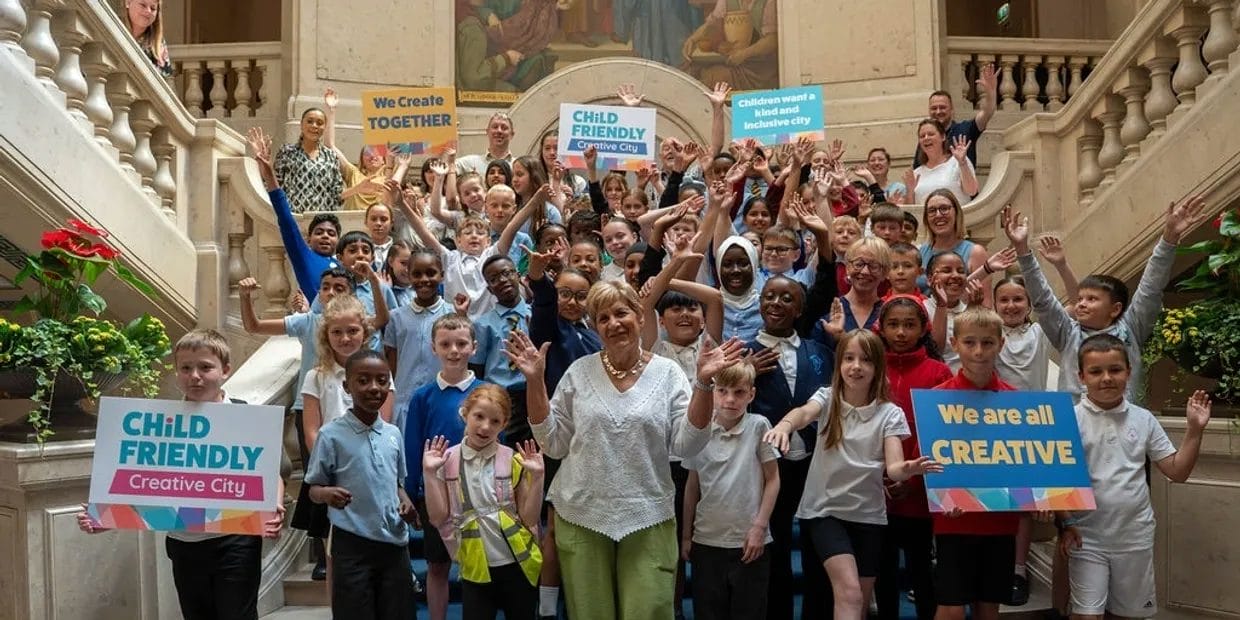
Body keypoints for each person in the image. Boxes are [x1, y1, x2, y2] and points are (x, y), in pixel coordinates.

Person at [504, 281, 745, 620]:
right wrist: (534, 382)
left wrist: (703, 383)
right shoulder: (579, 372)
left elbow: (688, 443)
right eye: (603, 318)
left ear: (640, 316)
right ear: (596, 327)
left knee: (648, 612)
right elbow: (552, 444)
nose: (614, 323)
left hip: (648, 515)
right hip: (582, 513)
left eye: (621, 313)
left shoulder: (668, 372)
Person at [77, 329, 286, 620]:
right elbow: (145, 484)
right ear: (176, 372)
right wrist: (105, 517)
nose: (195, 376)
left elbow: (270, 476)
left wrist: (274, 506)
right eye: (186, 368)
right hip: (183, 545)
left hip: (236, 540)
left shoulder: (246, 417)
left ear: (225, 370)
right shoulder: (160, 423)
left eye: (205, 367)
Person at [764, 329, 941, 619]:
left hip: (869, 517)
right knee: (848, 591)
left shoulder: (890, 413)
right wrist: (784, 426)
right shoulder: (827, 397)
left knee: (857, 603)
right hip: (825, 512)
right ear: (839, 363)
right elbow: (804, 414)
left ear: (877, 367)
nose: (856, 366)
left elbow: (895, 469)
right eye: (848, 358)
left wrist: (909, 468)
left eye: (865, 360)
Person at [1060, 335, 1210, 620]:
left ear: (1128, 372)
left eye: (1115, 370)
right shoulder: (1068, 419)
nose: (1106, 378)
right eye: (1095, 371)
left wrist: (1194, 430)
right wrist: (1065, 522)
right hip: (1086, 537)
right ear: (1081, 376)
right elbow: (1055, 480)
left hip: (1134, 539)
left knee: (1129, 615)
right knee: (1085, 615)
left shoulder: (1144, 419)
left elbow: (1177, 471)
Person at [1002, 197, 1206, 401]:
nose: (1081, 303)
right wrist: (1022, 250)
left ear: (1115, 309)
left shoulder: (1131, 329)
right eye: (1080, 298)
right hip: (1075, 426)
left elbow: (1150, 288)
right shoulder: (1067, 333)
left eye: (1092, 299)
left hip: (1125, 426)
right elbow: (1043, 300)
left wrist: (1169, 239)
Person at [304, 350, 416, 619]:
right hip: (351, 544)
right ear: (347, 386)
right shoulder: (330, 435)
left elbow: (397, 484)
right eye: (363, 380)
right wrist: (326, 494)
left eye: (381, 380)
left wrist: (406, 502)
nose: (373, 388)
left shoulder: (393, 433)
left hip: (394, 544)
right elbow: (313, 489)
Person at [930, 306, 1021, 620]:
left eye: (987, 343)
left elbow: (1027, 461)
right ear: (954, 344)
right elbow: (925, 460)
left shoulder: (1019, 402)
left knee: (989, 607)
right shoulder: (936, 400)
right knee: (951, 607)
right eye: (969, 343)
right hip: (953, 521)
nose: (979, 351)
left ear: (1001, 344)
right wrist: (943, 494)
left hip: (1001, 522)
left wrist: (1042, 496)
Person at [423, 389, 546, 620]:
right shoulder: (446, 460)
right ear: (464, 414)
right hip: (475, 569)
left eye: (495, 421)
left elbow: (529, 519)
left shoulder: (513, 460)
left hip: (518, 564)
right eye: (479, 416)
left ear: (504, 424)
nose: (486, 426)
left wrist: (538, 478)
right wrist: (429, 473)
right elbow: (438, 518)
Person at [873, 296, 953, 620]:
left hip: (922, 493)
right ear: (881, 328)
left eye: (909, 325)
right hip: (878, 490)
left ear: (924, 329)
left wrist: (913, 476)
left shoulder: (939, 372)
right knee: (884, 572)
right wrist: (883, 473)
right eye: (893, 324)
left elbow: (941, 431)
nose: (901, 332)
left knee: (923, 572)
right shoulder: (871, 368)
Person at [681, 361, 780, 620]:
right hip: (706, 541)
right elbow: (692, 486)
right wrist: (686, 535)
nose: (729, 399)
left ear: (751, 394)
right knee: (708, 611)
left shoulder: (759, 426)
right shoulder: (699, 429)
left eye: (738, 392)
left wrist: (759, 527)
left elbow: (773, 479)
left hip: (749, 541)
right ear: (712, 392)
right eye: (722, 391)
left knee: (749, 611)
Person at [405, 315, 485, 620]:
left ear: (474, 348)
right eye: (446, 344)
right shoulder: (422, 397)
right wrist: (412, 494)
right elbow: (414, 448)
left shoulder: (485, 392)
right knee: (437, 565)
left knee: (478, 563)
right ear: (433, 348)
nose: (454, 350)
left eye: (461, 343)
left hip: (477, 492)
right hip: (435, 493)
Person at [248, 127, 342, 303]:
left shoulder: (344, 266)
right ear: (308, 239)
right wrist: (269, 173)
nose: (325, 236)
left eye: (331, 233)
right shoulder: (303, 256)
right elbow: (286, 219)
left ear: (338, 240)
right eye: (319, 232)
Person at [383, 248, 455, 430]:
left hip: (443, 400)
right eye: (417, 274)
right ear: (408, 275)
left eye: (431, 273)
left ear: (442, 275)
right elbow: (391, 364)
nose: (424, 279)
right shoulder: (396, 317)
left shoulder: (452, 314)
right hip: (404, 402)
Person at [273, 92, 346, 213]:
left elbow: (337, 195)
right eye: (310, 121)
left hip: (322, 224)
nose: (314, 125)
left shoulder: (331, 156)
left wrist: (360, 188)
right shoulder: (286, 152)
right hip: (294, 220)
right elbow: (275, 187)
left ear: (324, 127)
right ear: (301, 125)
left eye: (319, 123)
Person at [913, 64, 997, 167]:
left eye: (942, 107)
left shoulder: (965, 129)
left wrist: (991, 93)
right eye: (934, 108)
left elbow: (986, 113)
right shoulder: (926, 138)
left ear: (952, 109)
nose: (938, 111)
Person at [918, 189, 991, 305]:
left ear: (956, 213)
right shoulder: (921, 251)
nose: (938, 215)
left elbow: (985, 303)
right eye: (932, 211)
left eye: (944, 209)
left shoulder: (975, 252)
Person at [906, 121, 978, 206]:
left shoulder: (958, 161)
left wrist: (963, 164)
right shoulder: (916, 173)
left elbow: (972, 191)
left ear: (943, 136)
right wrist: (909, 191)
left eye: (931, 134)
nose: (926, 138)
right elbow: (911, 211)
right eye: (922, 136)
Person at [123, 0, 171, 77]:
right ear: (128, 2)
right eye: (143, 5)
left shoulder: (158, 44)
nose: (148, 11)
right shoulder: (114, 27)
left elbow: (165, 78)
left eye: (153, 8)